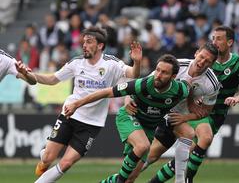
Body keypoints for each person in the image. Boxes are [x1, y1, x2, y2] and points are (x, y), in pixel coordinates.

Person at [33, 26, 142, 183]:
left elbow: (133, 74)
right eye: (83, 42)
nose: (84, 45)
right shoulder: (76, 63)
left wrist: (136, 62)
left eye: (89, 42)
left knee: (66, 163)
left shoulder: (111, 64)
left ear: (100, 45)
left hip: (92, 123)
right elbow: (52, 79)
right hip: (70, 113)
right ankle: (44, 157)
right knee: (48, 158)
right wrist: (28, 75)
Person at [144, 26, 239, 183]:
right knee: (204, 139)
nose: (214, 42)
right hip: (196, 111)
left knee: (184, 157)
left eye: (219, 39)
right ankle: (187, 180)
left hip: (216, 115)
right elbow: (189, 81)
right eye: (213, 38)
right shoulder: (204, 60)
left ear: (230, 42)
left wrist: (237, 98)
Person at [64, 54, 191, 183]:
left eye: (164, 72)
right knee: (142, 146)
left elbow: (192, 89)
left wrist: (195, 112)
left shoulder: (180, 90)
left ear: (173, 77)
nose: (158, 75)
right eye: (157, 70)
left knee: (130, 178)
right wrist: (76, 104)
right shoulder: (143, 85)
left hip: (148, 129)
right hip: (129, 117)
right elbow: (107, 92)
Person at [125, 42, 220, 183]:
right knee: (147, 159)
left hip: (178, 117)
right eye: (201, 57)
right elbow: (143, 84)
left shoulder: (211, 83)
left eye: (207, 61)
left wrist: (186, 117)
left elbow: (206, 111)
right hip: (160, 110)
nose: (202, 62)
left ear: (212, 64)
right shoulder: (176, 66)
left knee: (189, 139)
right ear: (196, 53)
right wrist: (127, 99)